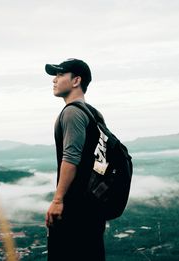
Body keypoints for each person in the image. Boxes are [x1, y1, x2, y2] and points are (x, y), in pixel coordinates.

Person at [44, 58, 107, 261]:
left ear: (76, 81)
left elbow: (70, 158)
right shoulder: (94, 114)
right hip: (93, 207)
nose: (54, 80)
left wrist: (57, 200)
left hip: (74, 209)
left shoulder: (72, 113)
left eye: (60, 74)